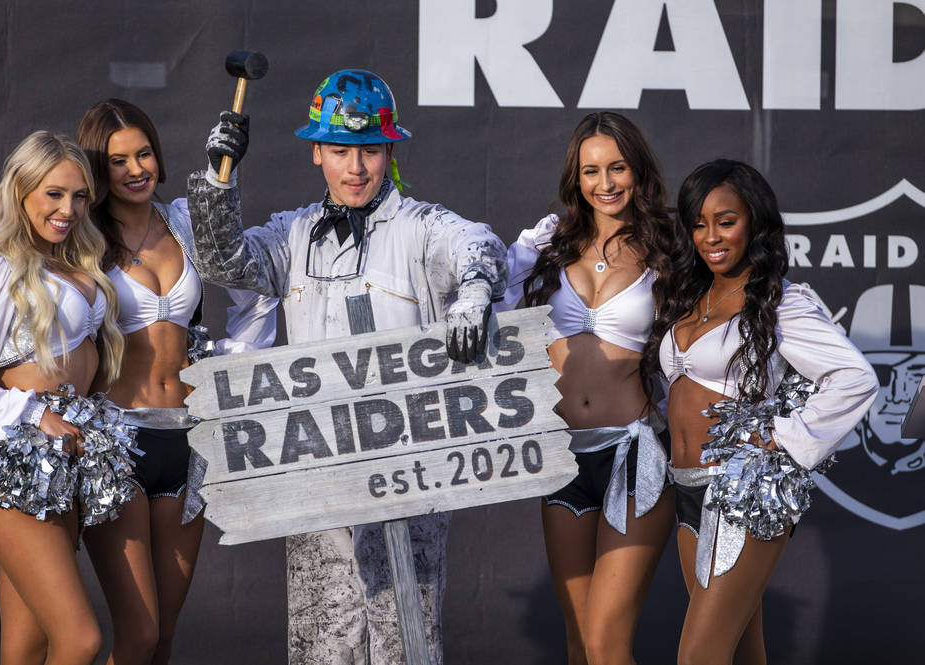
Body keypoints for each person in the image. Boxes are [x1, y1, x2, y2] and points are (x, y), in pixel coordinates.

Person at [185, 69, 507, 664]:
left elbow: (479, 245)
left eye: (370, 150)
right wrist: (216, 179)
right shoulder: (293, 233)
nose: (356, 167)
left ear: (389, 152)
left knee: (406, 643)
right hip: (318, 474)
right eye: (340, 150)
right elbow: (224, 262)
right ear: (317, 153)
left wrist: (473, 295)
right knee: (320, 647)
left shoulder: (420, 228)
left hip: (410, 475)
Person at [642, 159, 878, 665]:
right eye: (699, 223)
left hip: (742, 490)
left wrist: (782, 437)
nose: (711, 236)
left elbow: (855, 378)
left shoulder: (780, 302)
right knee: (744, 651)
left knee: (698, 656)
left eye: (726, 221)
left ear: (756, 222)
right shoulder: (691, 296)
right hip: (684, 486)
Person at [76, 99, 276, 665]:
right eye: (118, 161)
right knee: (136, 636)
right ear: (98, 168)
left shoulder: (186, 219)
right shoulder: (83, 239)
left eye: (144, 154)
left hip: (190, 442)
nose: (136, 169)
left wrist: (228, 373)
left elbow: (254, 288)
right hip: (118, 441)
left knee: (162, 639)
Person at [0, 131, 132, 664]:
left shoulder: (78, 261)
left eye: (80, 195)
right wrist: (36, 414)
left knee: (27, 644)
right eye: (53, 194)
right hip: (10, 462)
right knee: (80, 639)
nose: (69, 209)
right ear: (21, 193)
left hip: (59, 466)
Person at [504, 112, 677, 665]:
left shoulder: (670, 250)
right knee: (579, 644)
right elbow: (486, 300)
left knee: (606, 644)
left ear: (638, 170)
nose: (605, 184)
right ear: (575, 179)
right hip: (561, 459)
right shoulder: (547, 244)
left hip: (635, 454)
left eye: (618, 168)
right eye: (591, 171)